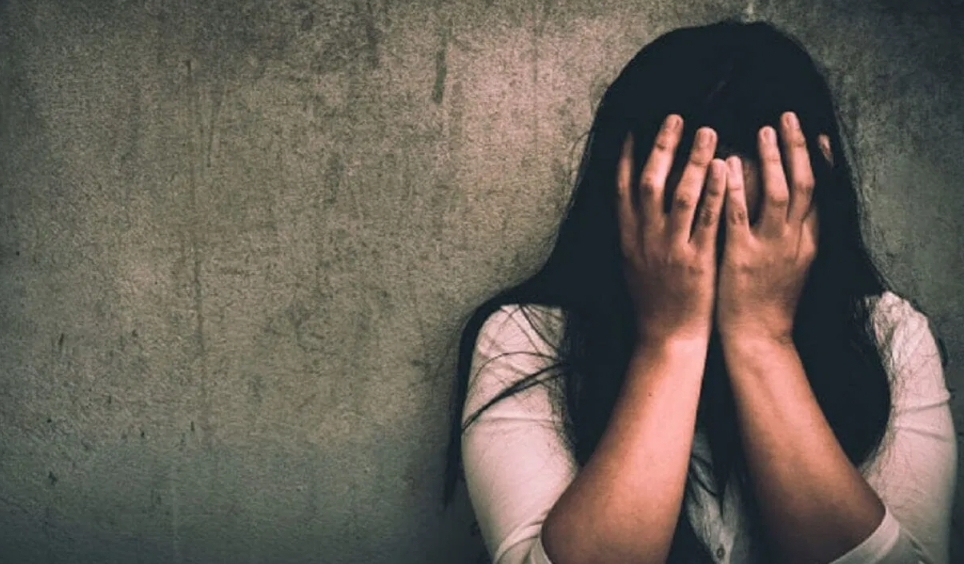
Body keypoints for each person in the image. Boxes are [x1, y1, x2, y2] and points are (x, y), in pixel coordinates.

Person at [441, 19, 956, 564]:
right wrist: (670, 340)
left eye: (758, 218)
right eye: (686, 215)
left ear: (815, 194)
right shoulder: (528, 337)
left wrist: (762, 339)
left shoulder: (889, 335)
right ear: (624, 195)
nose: (723, 254)